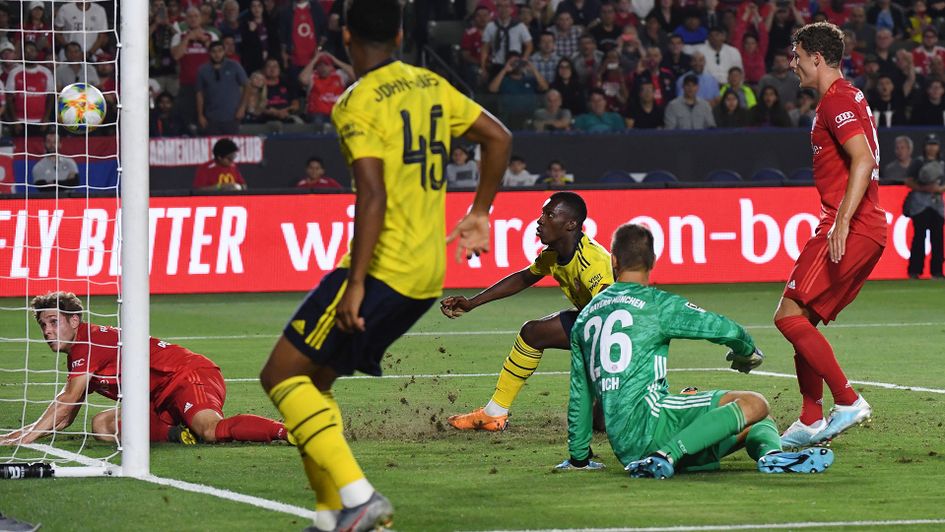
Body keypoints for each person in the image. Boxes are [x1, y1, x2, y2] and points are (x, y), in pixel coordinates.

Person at [256, 0, 512, 530]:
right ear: (399, 36)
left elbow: (371, 196)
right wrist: (480, 211)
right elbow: (499, 137)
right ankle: (332, 517)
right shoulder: (430, 84)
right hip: (426, 276)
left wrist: (354, 286)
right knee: (316, 385)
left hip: (382, 269)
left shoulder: (355, 103)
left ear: (346, 35)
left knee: (279, 376)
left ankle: (357, 498)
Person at [556, 223, 835, 477]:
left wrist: (579, 458)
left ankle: (772, 456)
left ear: (613, 260)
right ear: (653, 261)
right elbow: (723, 329)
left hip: (625, 446)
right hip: (653, 423)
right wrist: (746, 350)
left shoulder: (585, 316)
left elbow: (581, 394)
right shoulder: (656, 304)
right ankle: (664, 456)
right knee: (755, 404)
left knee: (758, 421)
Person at [777, 22, 887, 449]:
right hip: (859, 225)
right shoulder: (848, 96)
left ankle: (846, 400)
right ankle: (809, 417)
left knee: (787, 316)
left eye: (798, 56)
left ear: (817, 58)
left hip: (851, 226)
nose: (793, 65)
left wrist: (841, 221)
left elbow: (862, 159)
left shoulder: (836, 101)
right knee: (800, 318)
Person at [0, 292, 288, 447]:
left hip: (186, 375)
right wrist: (19, 434)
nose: (47, 331)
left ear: (75, 322)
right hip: (158, 398)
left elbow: (65, 404)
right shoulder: (81, 350)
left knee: (210, 431)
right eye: (43, 325)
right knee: (103, 426)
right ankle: (179, 433)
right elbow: (65, 418)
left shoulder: (89, 343)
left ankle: (286, 431)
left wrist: (25, 437)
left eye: (54, 322)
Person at [445, 193, 612, 431]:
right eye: (542, 213)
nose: (540, 221)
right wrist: (472, 303)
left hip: (619, 333)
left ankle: (676, 401)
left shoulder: (592, 262)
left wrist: (596, 366)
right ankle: (494, 413)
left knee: (603, 425)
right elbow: (524, 277)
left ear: (571, 224)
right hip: (595, 325)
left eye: (550, 215)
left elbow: (612, 312)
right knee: (532, 333)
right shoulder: (553, 256)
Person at [903, 134, 944, 279]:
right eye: (929, 144)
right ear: (924, 147)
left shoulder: (942, 163)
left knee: (938, 239)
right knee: (919, 238)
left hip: (937, 205)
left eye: (934, 144)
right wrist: (924, 188)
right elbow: (908, 181)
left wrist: (940, 189)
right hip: (920, 205)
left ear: (938, 147)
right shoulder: (918, 163)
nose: (931, 148)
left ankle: (937, 272)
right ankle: (914, 271)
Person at [196, 41, 249, 135]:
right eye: (214, 51)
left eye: (220, 51)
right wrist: (200, 115)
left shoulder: (234, 65)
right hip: (211, 118)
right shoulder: (203, 70)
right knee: (214, 147)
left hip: (232, 116)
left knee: (231, 147)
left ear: (224, 51)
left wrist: (242, 107)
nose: (217, 54)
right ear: (209, 53)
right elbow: (199, 93)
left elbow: (247, 86)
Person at [299, 51, 353, 131]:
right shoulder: (313, 76)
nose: (323, 68)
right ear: (316, 67)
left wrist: (334, 60)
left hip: (337, 114)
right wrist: (315, 59)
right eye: (320, 65)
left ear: (332, 67)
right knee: (319, 121)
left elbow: (355, 74)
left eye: (326, 65)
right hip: (318, 115)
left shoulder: (339, 75)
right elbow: (302, 79)